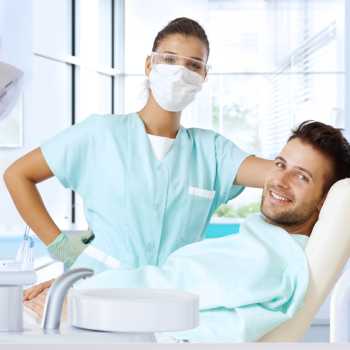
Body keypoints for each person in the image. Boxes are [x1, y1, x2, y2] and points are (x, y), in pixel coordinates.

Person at [23, 121, 350, 343]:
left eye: (302, 177)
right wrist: (87, 284)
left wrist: (88, 302)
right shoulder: (260, 243)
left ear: (324, 201)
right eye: (279, 165)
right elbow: (172, 284)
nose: (279, 180)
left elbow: (178, 302)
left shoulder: (269, 260)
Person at [3, 18, 273, 277]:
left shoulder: (212, 151)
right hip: (99, 291)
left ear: (204, 75)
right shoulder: (99, 134)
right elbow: (17, 175)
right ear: (149, 64)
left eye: (193, 64)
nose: (180, 72)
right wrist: (61, 247)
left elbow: (284, 177)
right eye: (169, 59)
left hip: (177, 303)